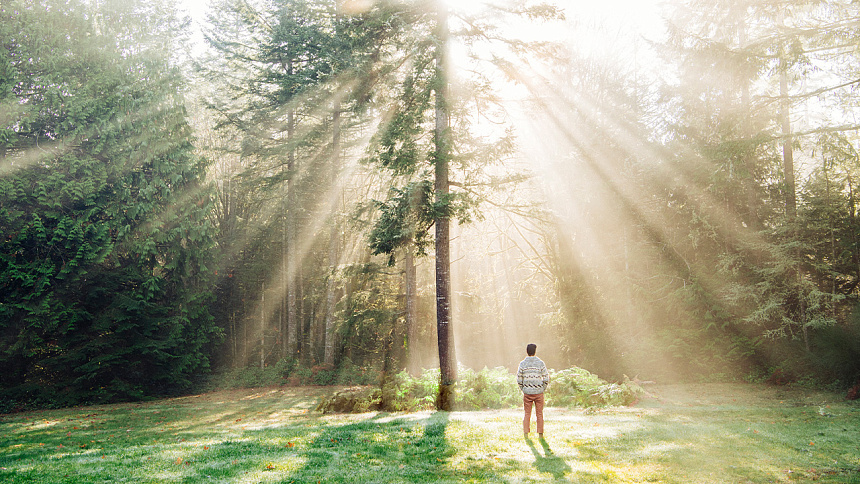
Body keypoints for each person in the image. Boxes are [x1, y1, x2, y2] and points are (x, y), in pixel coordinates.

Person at [517, 343, 549, 437]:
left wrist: (523, 388)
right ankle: (540, 433)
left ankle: (526, 433)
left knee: (527, 413)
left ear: (527, 351)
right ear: (535, 351)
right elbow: (546, 377)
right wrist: (542, 388)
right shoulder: (540, 363)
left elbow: (519, 379)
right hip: (539, 392)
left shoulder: (522, 364)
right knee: (539, 413)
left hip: (527, 392)